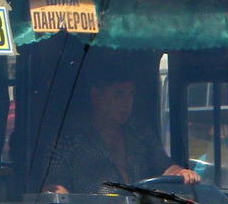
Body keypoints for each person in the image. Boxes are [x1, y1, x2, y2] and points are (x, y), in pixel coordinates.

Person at [46, 76, 199, 194]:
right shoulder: (68, 140)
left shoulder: (141, 134)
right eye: (119, 94)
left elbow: (165, 166)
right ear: (96, 96)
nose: (127, 103)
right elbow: (54, 187)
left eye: (130, 95)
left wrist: (180, 173)